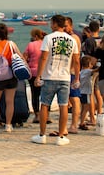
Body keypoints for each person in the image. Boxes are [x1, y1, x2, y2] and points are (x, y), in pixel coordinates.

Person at [31, 14, 80, 146]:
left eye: (51, 23)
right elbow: (76, 60)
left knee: (45, 105)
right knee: (63, 105)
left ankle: (42, 135)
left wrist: (38, 75)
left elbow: (44, 58)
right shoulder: (72, 40)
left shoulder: (48, 38)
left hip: (49, 76)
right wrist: (77, 78)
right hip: (65, 77)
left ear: (54, 24)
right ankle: (61, 136)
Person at [0, 23, 23, 134]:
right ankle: (8, 125)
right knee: (9, 101)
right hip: (11, 76)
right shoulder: (11, 44)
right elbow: (20, 57)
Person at [23, 28, 45, 124]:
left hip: (33, 72)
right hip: (45, 72)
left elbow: (24, 57)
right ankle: (46, 115)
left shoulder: (31, 45)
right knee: (45, 95)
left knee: (34, 94)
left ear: (35, 36)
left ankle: (37, 115)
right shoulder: (46, 43)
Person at [82, 21, 102, 124]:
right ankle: (100, 114)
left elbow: (87, 56)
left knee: (90, 93)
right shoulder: (102, 40)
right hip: (101, 67)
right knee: (98, 92)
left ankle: (92, 118)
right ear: (98, 29)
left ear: (89, 29)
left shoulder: (89, 41)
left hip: (92, 69)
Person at [65, 17, 81, 134]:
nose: (64, 28)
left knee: (74, 99)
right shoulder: (68, 38)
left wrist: (76, 77)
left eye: (66, 26)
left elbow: (75, 59)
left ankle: (74, 125)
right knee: (67, 99)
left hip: (71, 72)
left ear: (71, 26)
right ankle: (68, 124)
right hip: (66, 72)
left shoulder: (73, 38)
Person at [78, 55, 98, 131]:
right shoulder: (88, 72)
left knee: (83, 108)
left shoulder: (81, 72)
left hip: (81, 92)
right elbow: (95, 71)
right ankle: (82, 123)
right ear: (89, 64)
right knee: (85, 108)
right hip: (86, 92)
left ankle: (81, 121)